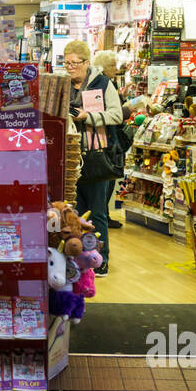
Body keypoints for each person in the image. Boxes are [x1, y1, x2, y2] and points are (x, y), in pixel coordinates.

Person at [64, 41, 125, 275]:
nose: (70, 68)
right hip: (69, 156)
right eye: (66, 63)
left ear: (87, 62)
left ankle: (100, 259)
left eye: (74, 63)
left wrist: (87, 116)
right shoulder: (64, 84)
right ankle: (78, 258)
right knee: (73, 210)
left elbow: (116, 115)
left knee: (97, 211)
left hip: (95, 155)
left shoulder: (103, 83)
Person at [92, 50, 126, 228]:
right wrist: (126, 111)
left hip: (107, 139)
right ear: (103, 67)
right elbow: (112, 115)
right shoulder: (103, 85)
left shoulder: (103, 84)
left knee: (107, 181)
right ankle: (103, 216)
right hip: (106, 140)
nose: (115, 68)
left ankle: (104, 214)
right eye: (112, 65)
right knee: (105, 180)